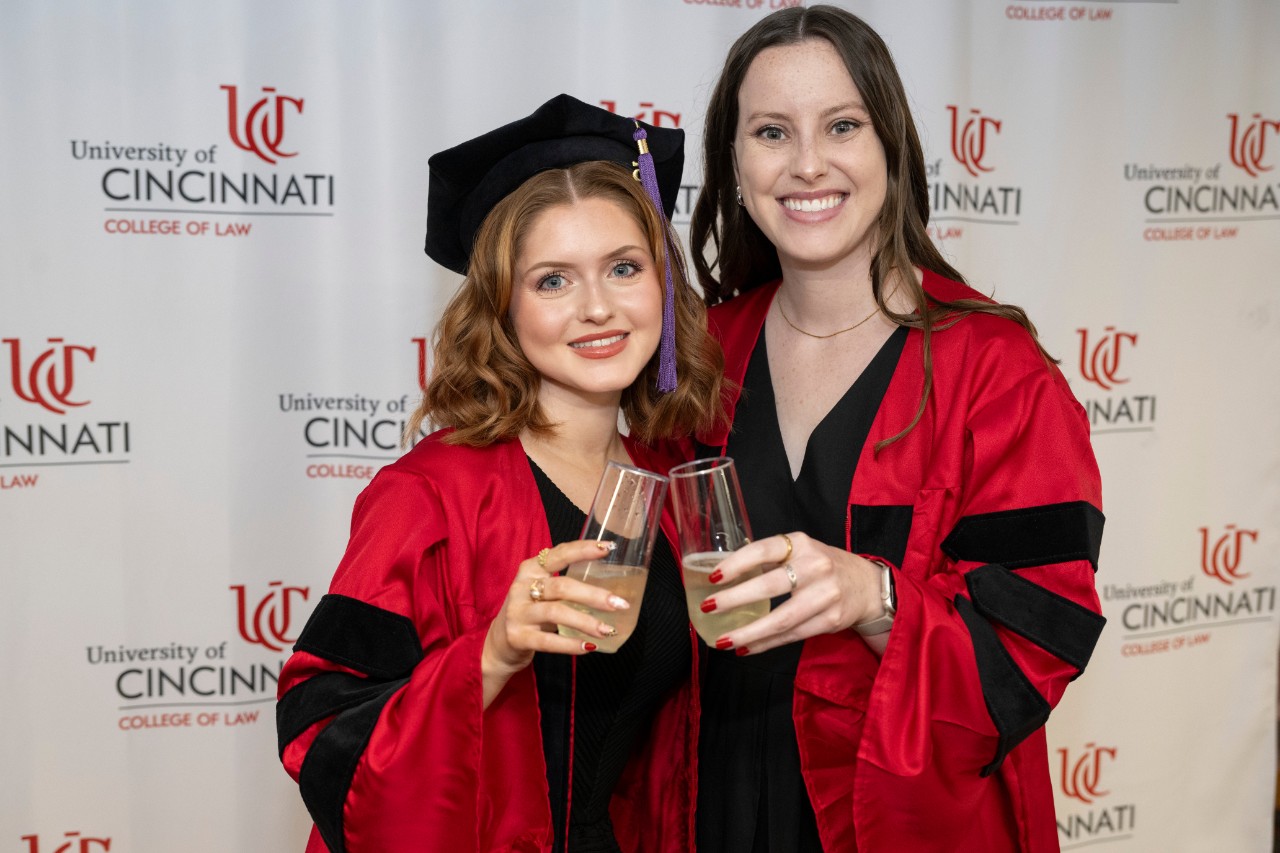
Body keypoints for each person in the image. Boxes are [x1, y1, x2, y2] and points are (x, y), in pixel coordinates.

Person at [685, 7, 1105, 852]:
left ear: (892, 149)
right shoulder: (699, 355)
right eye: (771, 131)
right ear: (733, 162)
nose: (808, 164)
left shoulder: (996, 370)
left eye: (843, 125)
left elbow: (1038, 637)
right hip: (711, 800)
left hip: (901, 813)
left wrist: (873, 597)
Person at [275, 94, 723, 853]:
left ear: (663, 285)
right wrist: (490, 655)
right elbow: (320, 723)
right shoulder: (428, 495)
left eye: (623, 267)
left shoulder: (672, 479)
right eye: (552, 280)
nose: (597, 307)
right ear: (503, 307)